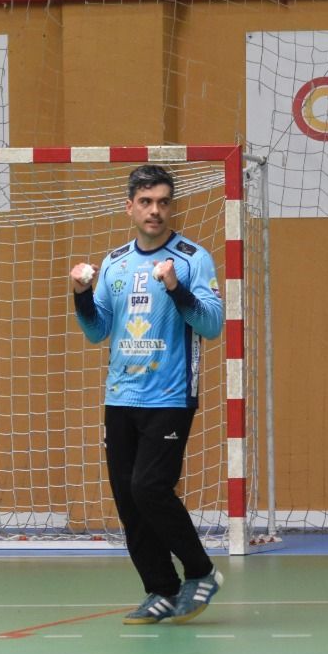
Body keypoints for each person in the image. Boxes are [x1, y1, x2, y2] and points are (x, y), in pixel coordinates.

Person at [70, 163, 226, 625]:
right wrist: (81, 293)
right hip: (121, 398)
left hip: (170, 396)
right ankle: (160, 589)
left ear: (171, 206)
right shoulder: (116, 262)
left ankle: (201, 572)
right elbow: (96, 331)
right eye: (145, 202)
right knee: (127, 497)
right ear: (130, 208)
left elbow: (212, 324)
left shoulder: (193, 258)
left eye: (162, 202)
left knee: (149, 487)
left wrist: (176, 288)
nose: (154, 210)